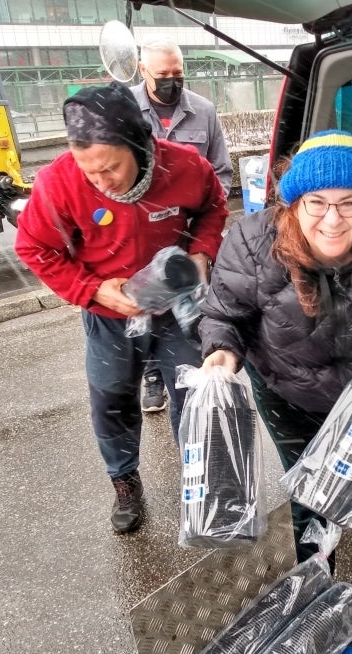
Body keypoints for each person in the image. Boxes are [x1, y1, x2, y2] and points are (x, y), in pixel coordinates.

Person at [197, 130, 352, 560]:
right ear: (295, 203)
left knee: (346, 473)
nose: (332, 220)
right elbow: (224, 313)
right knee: (308, 492)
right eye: (317, 202)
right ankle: (317, 582)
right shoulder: (254, 242)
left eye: (349, 203)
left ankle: (345, 498)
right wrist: (222, 350)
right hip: (285, 385)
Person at [14, 81, 229, 534]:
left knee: (193, 395)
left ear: (140, 144)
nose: (100, 181)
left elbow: (213, 208)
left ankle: (200, 478)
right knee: (111, 398)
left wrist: (201, 253)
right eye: (89, 171)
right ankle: (124, 479)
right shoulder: (58, 183)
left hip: (176, 308)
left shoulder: (187, 167)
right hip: (110, 316)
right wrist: (90, 290)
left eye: (110, 169)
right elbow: (34, 248)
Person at [132, 35, 233, 414]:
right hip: (143, 235)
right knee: (147, 305)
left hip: (189, 232)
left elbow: (220, 170)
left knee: (191, 309)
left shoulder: (203, 111)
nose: (171, 81)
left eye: (178, 73)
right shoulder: (125, 109)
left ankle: (187, 373)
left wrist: (202, 217)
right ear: (143, 71)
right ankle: (153, 374)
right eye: (163, 74)